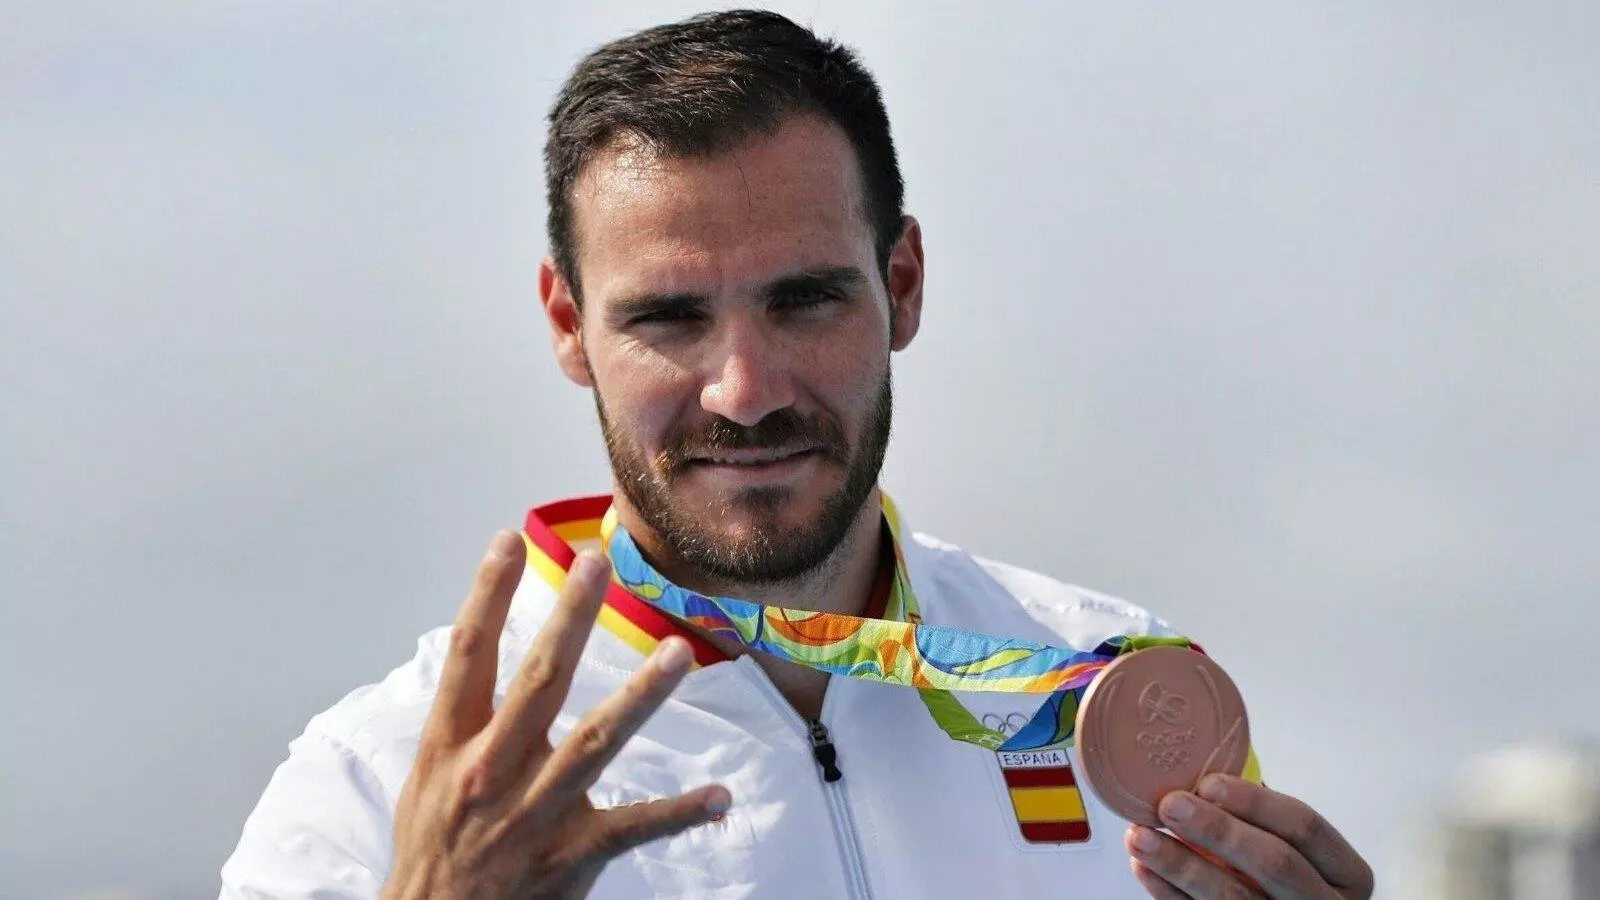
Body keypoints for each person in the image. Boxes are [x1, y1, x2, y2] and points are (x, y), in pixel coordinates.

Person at [219, 10, 1374, 899]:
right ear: (568, 326)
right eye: (668, 318)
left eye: (806, 299)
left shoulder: (1113, 697)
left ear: (901, 285)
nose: (747, 391)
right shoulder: (376, 785)